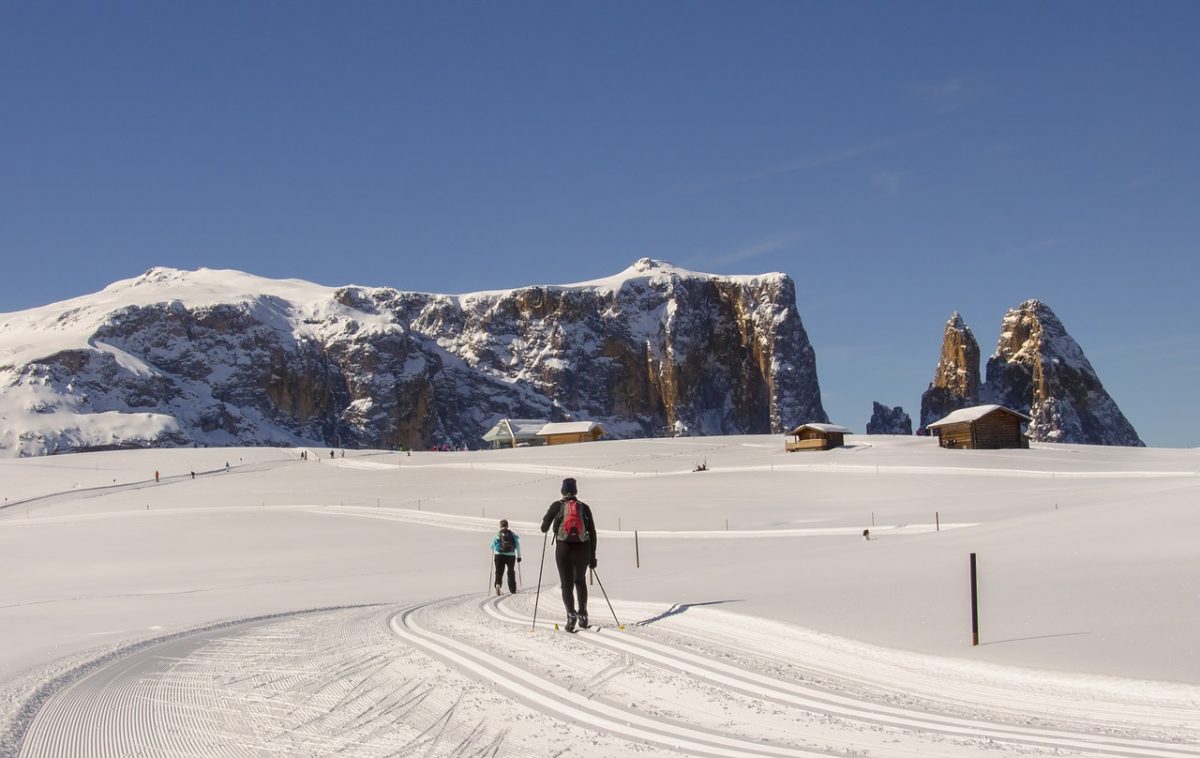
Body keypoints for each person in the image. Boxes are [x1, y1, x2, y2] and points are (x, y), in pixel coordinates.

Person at [540, 477, 597, 632]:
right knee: (580, 581)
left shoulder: (557, 506)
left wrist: (550, 520)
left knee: (567, 584)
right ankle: (583, 614)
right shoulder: (584, 507)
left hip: (563, 548)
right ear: (576, 491)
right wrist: (592, 556)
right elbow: (592, 532)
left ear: (562, 491)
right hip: (582, 548)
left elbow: (544, 528)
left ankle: (570, 614)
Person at [491, 519, 522, 595]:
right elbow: (517, 545)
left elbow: (492, 546)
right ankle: (513, 589)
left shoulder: (498, 534)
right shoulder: (512, 534)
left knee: (499, 571)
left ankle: (498, 585)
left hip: (499, 555)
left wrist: (494, 551)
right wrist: (519, 556)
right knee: (511, 571)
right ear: (507, 526)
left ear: (500, 526)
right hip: (510, 555)